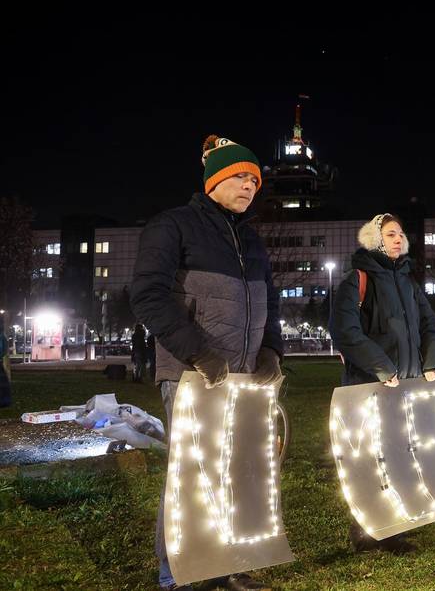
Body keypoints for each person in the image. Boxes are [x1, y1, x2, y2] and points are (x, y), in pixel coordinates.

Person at [131, 135, 283, 591]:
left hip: (243, 378)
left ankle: (226, 565)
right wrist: (198, 351)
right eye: (240, 176)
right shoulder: (172, 226)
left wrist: (272, 351)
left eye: (254, 180)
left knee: (236, 472)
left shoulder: (251, 240)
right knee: (191, 474)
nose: (250, 185)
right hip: (192, 373)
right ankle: (176, 574)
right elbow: (148, 295)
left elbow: (270, 303)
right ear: (213, 180)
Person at [330, 212, 435, 553]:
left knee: (398, 457)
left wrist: (432, 361)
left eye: (401, 233)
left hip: (404, 387)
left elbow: (430, 325)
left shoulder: (408, 282)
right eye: (391, 233)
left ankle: (393, 526)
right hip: (370, 386)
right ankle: (367, 532)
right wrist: (382, 367)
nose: (399, 238)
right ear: (375, 238)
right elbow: (345, 331)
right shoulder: (357, 279)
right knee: (368, 461)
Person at [0, 313, 11, 408]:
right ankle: (4, 401)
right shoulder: (2, 335)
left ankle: (4, 401)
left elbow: (4, 349)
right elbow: (4, 349)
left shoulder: (2, 336)